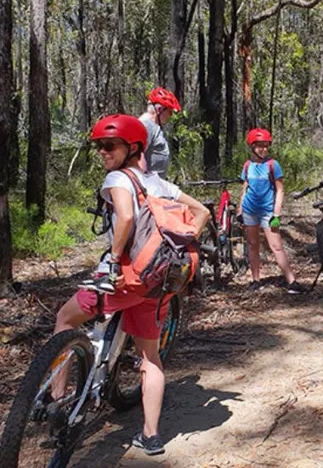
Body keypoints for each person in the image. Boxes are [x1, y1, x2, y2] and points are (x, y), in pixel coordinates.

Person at [52, 114, 210, 455]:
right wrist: (186, 239)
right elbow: (203, 214)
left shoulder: (118, 179)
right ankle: (151, 437)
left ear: (133, 147)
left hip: (123, 278)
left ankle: (56, 401)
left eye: (109, 146)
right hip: (158, 281)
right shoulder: (159, 183)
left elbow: (124, 216)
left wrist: (114, 259)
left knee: (64, 320)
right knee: (150, 358)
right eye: (99, 146)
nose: (102, 152)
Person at [237, 128, 309, 294]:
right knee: (253, 245)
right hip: (249, 211)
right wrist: (240, 210)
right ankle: (255, 280)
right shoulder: (248, 165)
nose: (263, 149)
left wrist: (276, 214)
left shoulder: (273, 165)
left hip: (267, 212)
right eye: (260, 145)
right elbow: (245, 189)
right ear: (252, 146)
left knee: (276, 246)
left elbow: (280, 190)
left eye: (266, 145)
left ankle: (291, 281)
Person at [139, 87, 181, 179]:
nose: (171, 116)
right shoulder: (146, 126)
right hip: (148, 186)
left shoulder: (155, 126)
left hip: (156, 184)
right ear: (159, 110)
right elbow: (138, 156)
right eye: (169, 112)